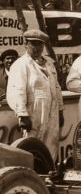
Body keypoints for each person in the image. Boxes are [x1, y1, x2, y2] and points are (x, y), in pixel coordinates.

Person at [6, 30, 64, 162]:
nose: (37, 48)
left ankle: (49, 177)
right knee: (31, 149)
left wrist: (60, 111)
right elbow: (17, 90)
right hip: (33, 115)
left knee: (50, 148)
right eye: (33, 44)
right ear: (26, 45)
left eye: (39, 44)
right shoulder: (21, 65)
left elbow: (57, 88)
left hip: (52, 114)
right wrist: (22, 115)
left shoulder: (49, 64)